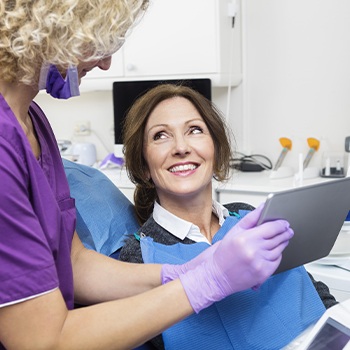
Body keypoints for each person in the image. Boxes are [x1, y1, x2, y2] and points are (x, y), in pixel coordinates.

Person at [0, 1, 296, 349]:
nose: (107, 61)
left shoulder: (33, 122)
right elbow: (41, 341)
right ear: (56, 28)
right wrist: (207, 281)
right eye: (100, 40)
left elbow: (74, 261)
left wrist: (189, 269)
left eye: (195, 131)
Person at [119, 84, 337, 350]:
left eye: (195, 130)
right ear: (143, 166)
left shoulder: (249, 214)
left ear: (216, 150)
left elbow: (312, 291)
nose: (181, 147)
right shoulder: (137, 256)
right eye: (161, 136)